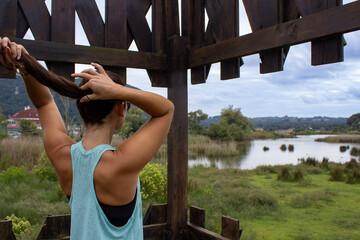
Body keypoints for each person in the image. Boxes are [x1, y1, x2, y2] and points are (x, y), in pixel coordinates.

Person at [0, 37, 174, 239]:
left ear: (81, 107)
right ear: (120, 108)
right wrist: (117, 90)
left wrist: (24, 64)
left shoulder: (62, 155)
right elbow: (166, 110)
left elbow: (44, 104)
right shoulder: (120, 163)